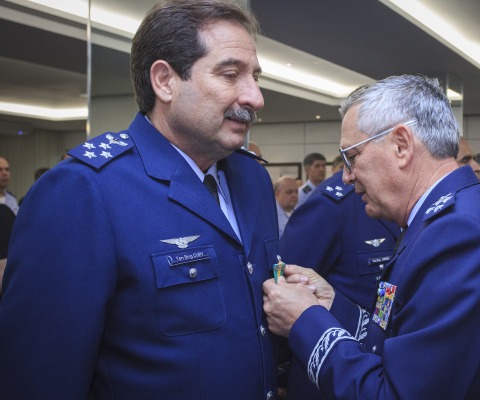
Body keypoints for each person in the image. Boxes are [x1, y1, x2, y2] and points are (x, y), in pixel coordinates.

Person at [0, 1, 280, 399]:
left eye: (255, 77)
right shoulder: (84, 191)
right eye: (230, 74)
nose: (255, 97)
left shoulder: (252, 178)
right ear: (165, 81)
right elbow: (39, 375)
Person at [263, 75, 480, 400]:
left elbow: (395, 393)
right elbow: (401, 335)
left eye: (353, 156)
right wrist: (332, 305)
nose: (347, 176)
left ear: (401, 145)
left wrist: (305, 322)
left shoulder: (460, 237)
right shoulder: (445, 218)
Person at [280, 165, 401, 400]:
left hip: (386, 372)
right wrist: (281, 372)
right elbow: (288, 291)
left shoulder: (404, 202)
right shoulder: (331, 205)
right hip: (333, 374)